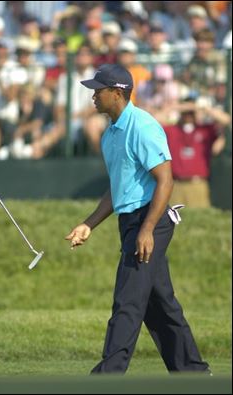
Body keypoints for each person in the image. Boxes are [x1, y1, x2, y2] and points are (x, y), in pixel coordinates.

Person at [65, 64, 211, 374]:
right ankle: (194, 374)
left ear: (117, 94)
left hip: (151, 221)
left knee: (128, 301)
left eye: (98, 91)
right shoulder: (110, 135)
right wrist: (88, 224)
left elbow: (165, 180)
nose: (93, 96)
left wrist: (146, 230)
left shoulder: (142, 127)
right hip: (131, 222)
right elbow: (118, 188)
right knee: (160, 306)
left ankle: (108, 375)